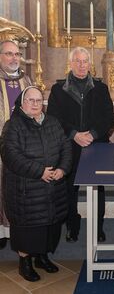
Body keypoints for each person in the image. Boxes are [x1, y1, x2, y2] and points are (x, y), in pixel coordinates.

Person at [0, 86, 72, 282]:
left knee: (49, 226)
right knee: (27, 229)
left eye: (38, 100)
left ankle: (42, 257)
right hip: (26, 189)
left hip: (52, 187)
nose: (35, 104)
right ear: (22, 103)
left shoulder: (52, 122)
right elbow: (11, 156)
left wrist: (63, 169)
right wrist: (39, 172)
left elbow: (66, 146)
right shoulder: (12, 126)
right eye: (30, 100)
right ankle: (25, 264)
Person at [48, 47, 114, 243]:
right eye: (77, 61)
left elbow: (108, 118)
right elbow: (54, 118)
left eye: (85, 61)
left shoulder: (101, 88)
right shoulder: (58, 90)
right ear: (70, 63)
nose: (81, 64)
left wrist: (92, 135)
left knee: (98, 188)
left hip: (97, 145)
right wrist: (74, 134)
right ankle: (72, 226)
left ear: (89, 64)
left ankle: (98, 227)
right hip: (69, 146)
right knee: (70, 189)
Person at [0, 40, 32, 250]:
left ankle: (19, 230)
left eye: (17, 54)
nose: (14, 58)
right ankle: (2, 233)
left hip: (23, 146)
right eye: (8, 54)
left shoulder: (26, 80)